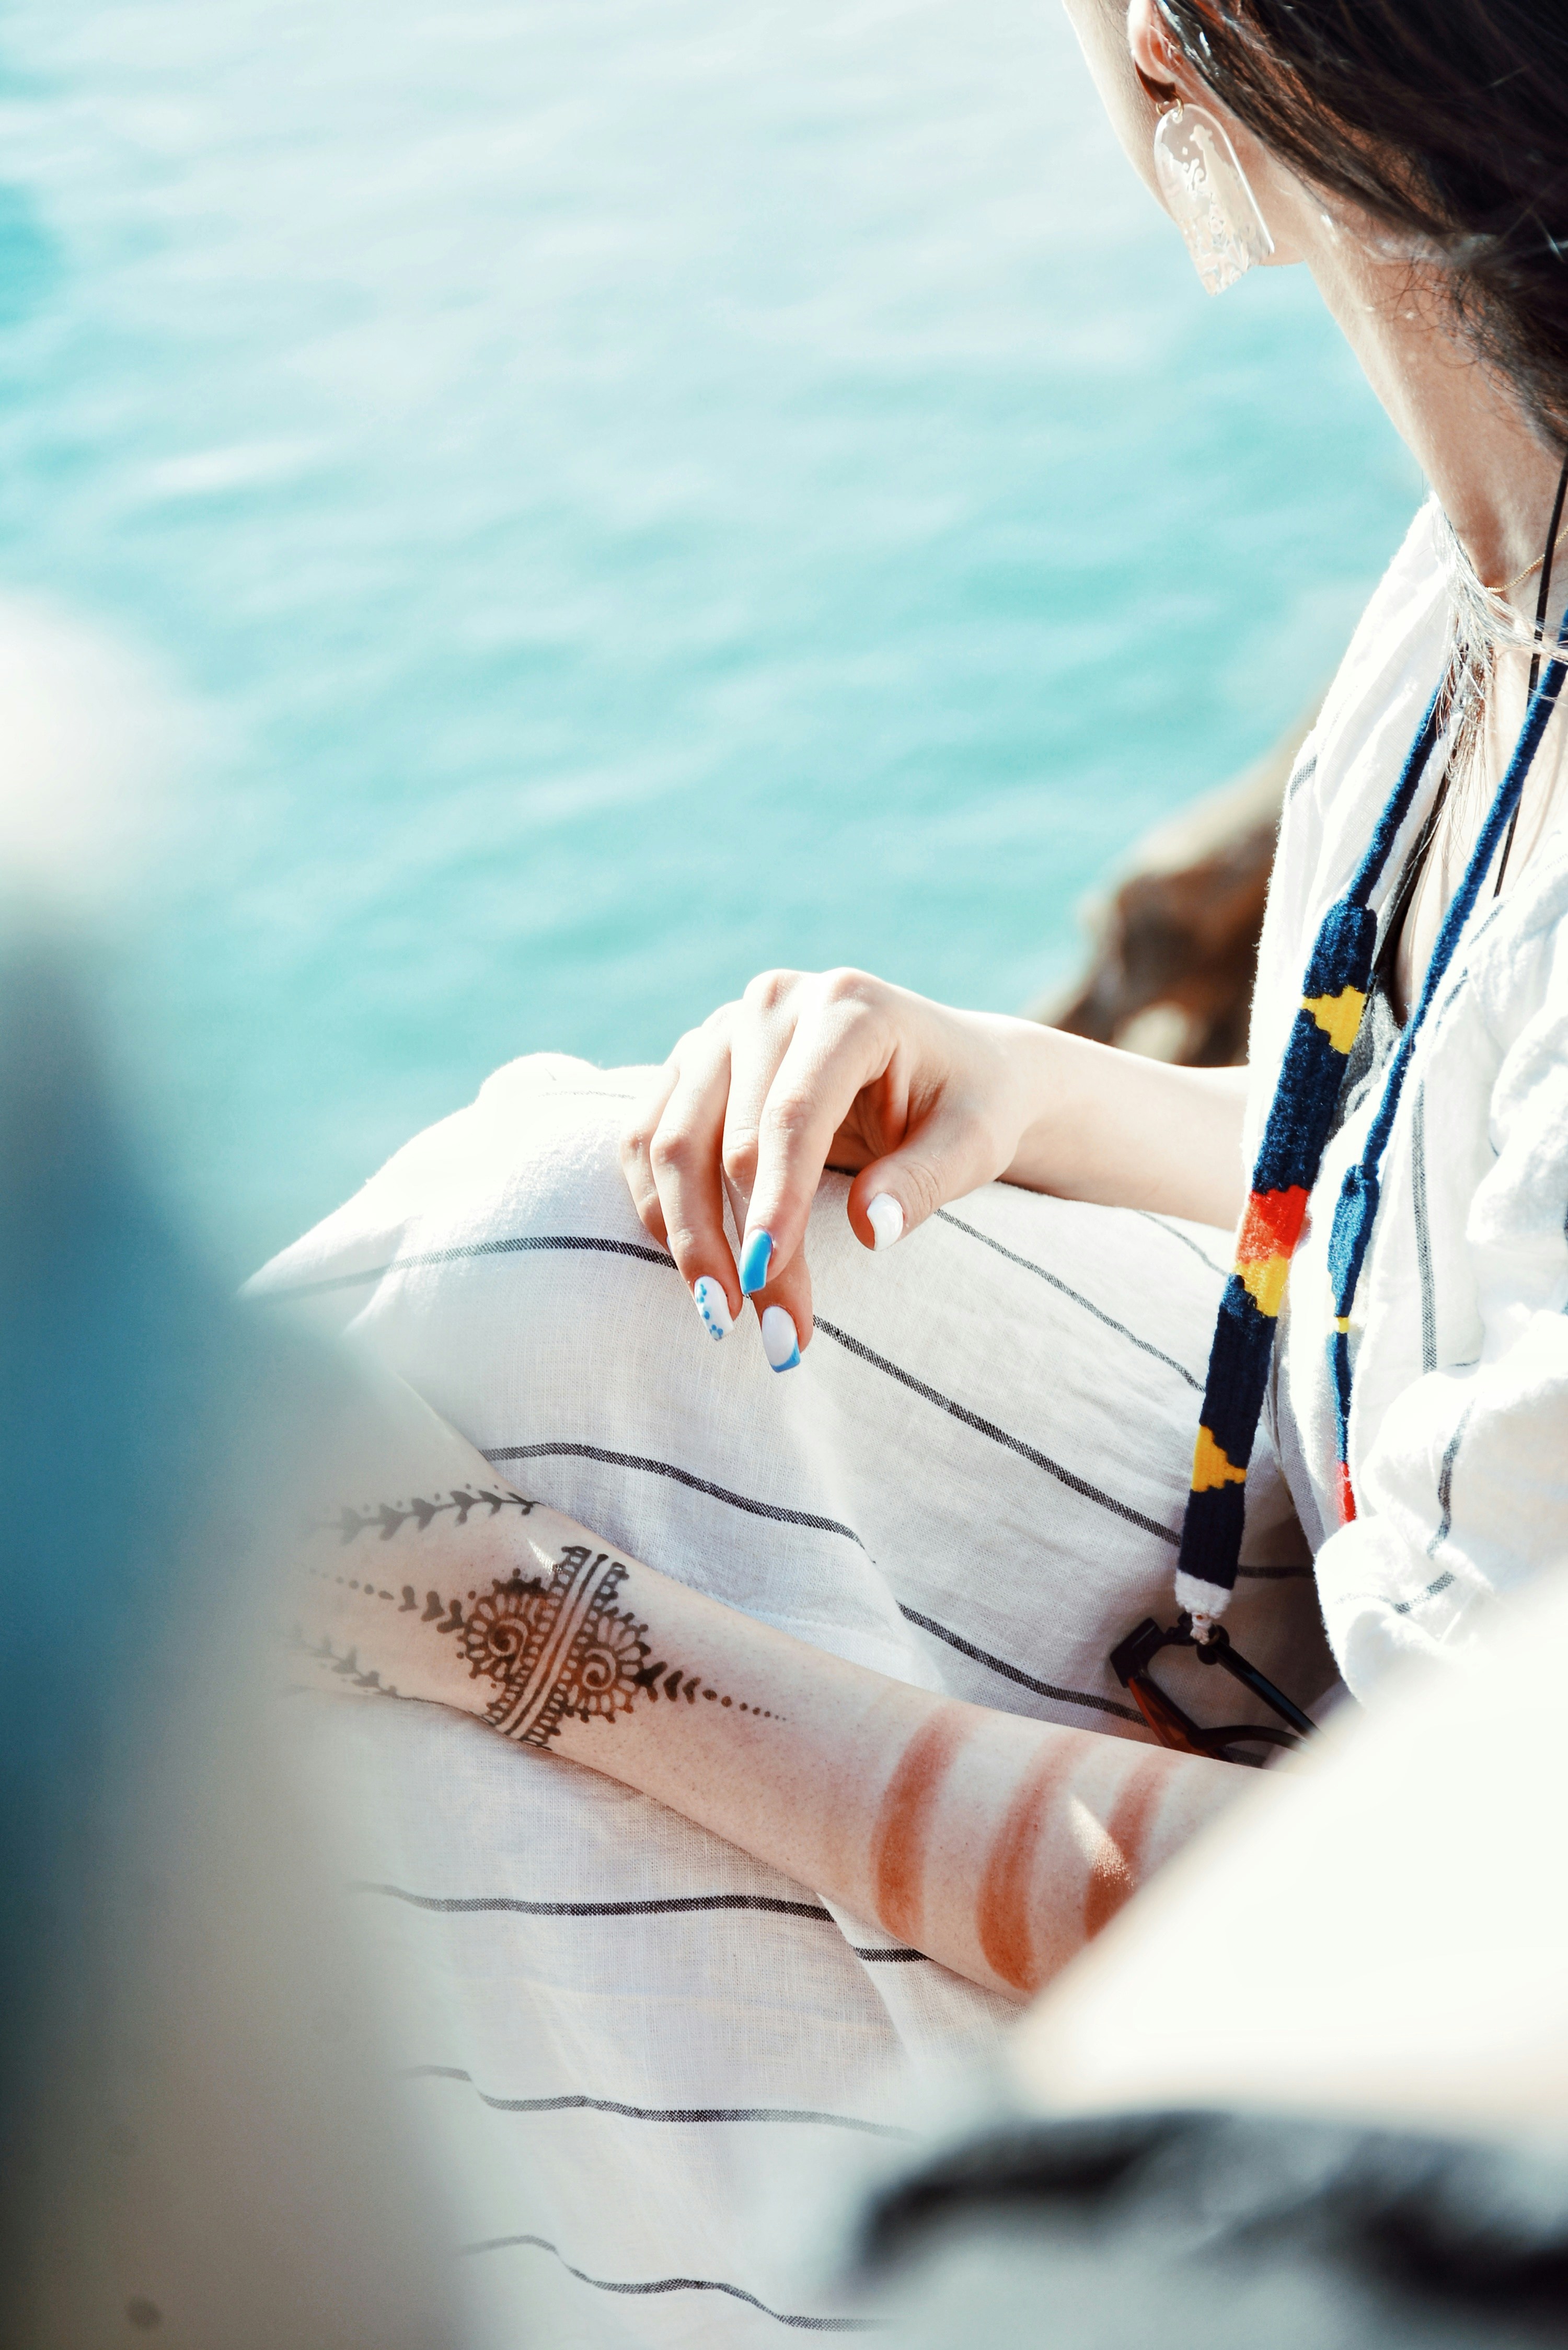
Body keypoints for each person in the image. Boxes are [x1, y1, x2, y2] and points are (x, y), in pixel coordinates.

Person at [261, 0, 1568, 2333]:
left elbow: (1472, 1964)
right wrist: (1027, 1087)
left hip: (1422, 2074)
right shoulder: (1486, 577)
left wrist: (531, 1630)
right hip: (1334, 1661)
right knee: (550, 1235)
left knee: (421, 1711)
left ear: (1180, 50)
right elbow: (1456, 1224)